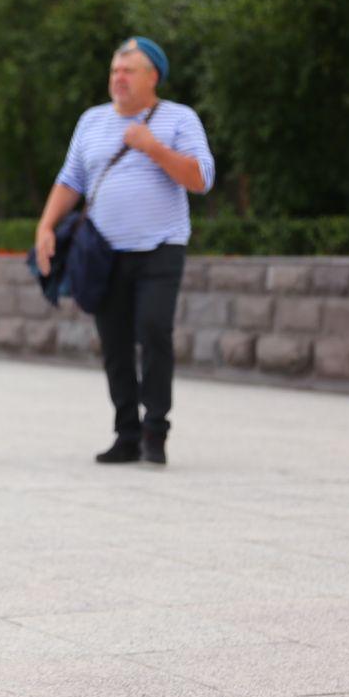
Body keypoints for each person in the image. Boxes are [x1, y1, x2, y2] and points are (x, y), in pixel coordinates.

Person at [35, 37, 214, 466]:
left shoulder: (179, 118)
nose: (119, 78)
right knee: (114, 343)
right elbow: (70, 180)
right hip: (104, 252)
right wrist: (45, 227)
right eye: (115, 70)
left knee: (154, 331)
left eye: (128, 70)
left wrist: (153, 147)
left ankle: (156, 429)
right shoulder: (91, 121)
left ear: (153, 77)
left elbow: (201, 178)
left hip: (160, 247)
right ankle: (126, 433)